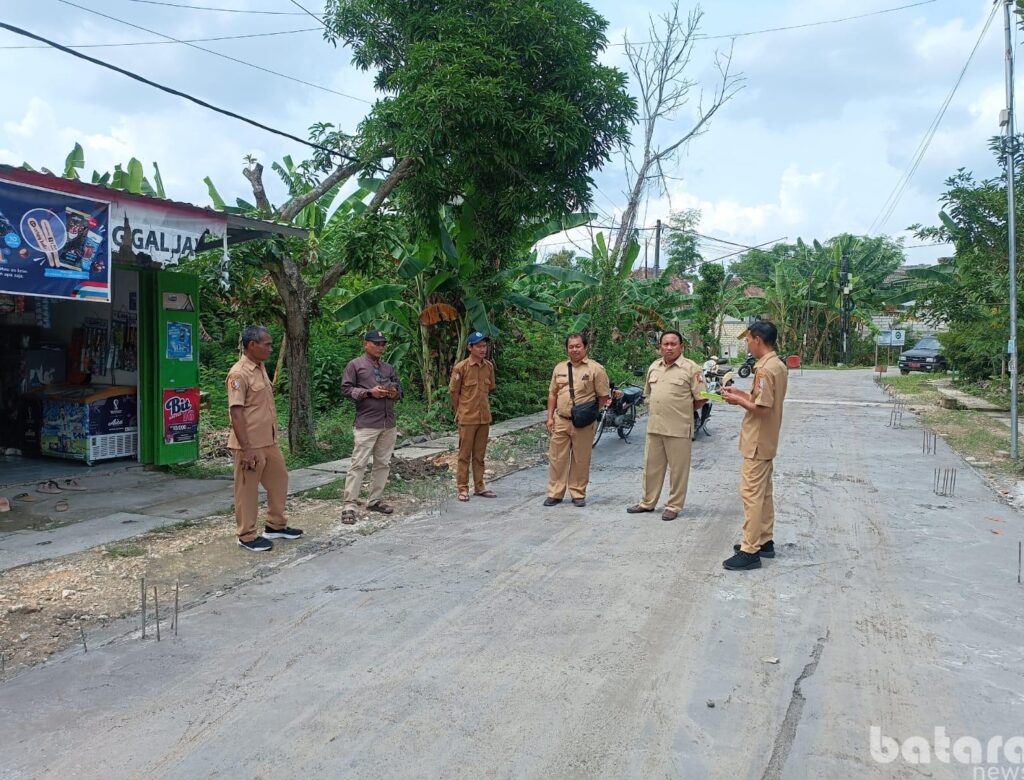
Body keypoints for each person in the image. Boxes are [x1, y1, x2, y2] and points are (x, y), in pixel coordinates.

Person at [227, 326, 303, 552]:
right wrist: (246, 449)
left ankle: (275, 525)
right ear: (252, 345)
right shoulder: (239, 373)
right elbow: (236, 412)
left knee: (279, 480)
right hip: (249, 444)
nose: (271, 348)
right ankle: (246, 535)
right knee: (247, 490)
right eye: (267, 344)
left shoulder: (260, 368)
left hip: (268, 441)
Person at [721, 320, 789, 571]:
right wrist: (738, 395)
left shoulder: (764, 370)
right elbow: (761, 400)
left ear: (757, 339)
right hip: (767, 438)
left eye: (748, 339)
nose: (748, 344)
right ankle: (764, 540)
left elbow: (762, 408)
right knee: (764, 493)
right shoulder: (776, 365)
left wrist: (739, 402)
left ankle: (750, 550)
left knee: (751, 494)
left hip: (758, 441)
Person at [626, 330, 705, 521]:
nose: (669, 347)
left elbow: (700, 399)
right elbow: (649, 394)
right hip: (655, 427)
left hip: (678, 428)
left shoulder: (691, 368)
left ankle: (674, 506)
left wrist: (682, 412)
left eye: (673, 344)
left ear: (681, 347)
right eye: (665, 344)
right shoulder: (654, 367)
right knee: (651, 467)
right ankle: (647, 502)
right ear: (660, 346)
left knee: (678, 470)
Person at [340, 330, 403, 525]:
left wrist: (393, 393)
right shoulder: (355, 365)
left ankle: (375, 500)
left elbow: (400, 391)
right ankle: (349, 505)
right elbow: (345, 389)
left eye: (383, 344)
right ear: (365, 344)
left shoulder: (388, 368)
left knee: (383, 463)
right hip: (367, 423)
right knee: (358, 463)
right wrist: (368, 392)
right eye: (376, 343)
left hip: (387, 422)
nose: (380, 347)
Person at [544, 333, 610, 508]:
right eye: (571, 346)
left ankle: (578, 492)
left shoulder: (596, 369)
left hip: (583, 422)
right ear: (567, 348)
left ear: (585, 347)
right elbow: (553, 393)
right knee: (557, 458)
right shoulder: (559, 368)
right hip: (561, 419)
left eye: (578, 346)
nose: (574, 349)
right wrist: (550, 417)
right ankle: (555, 493)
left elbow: (603, 396)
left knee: (581, 459)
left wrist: (590, 413)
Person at [449, 331, 498, 501]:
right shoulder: (461, 368)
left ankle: (480, 486)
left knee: (480, 455)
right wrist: (460, 411)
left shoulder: (489, 366)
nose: (482, 349)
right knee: (464, 455)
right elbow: (454, 393)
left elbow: (490, 388)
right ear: (470, 348)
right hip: (467, 418)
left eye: (484, 346)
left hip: (484, 417)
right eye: (479, 346)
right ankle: (462, 488)